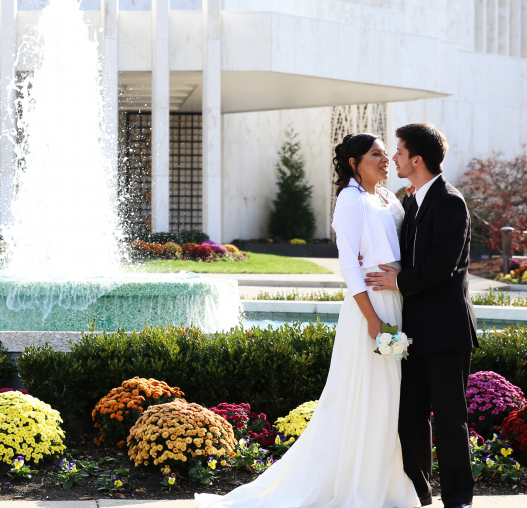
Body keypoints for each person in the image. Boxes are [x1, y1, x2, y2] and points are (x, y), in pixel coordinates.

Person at [195, 133, 419, 508]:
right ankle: (355, 487)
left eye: (385, 153)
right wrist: (373, 320)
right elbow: (348, 264)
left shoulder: (387, 198)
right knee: (364, 397)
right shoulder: (349, 200)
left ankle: (385, 484)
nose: (385, 160)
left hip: (396, 300)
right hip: (371, 309)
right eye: (376, 154)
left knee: (389, 400)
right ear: (353, 162)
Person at [365, 122, 478, 508]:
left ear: (416, 159)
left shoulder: (450, 201)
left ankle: (459, 499)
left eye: (398, 151)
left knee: (450, 418)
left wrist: (398, 281)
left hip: (446, 330)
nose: (393, 157)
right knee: (408, 416)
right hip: (412, 332)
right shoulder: (411, 201)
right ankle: (420, 492)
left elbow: (441, 265)